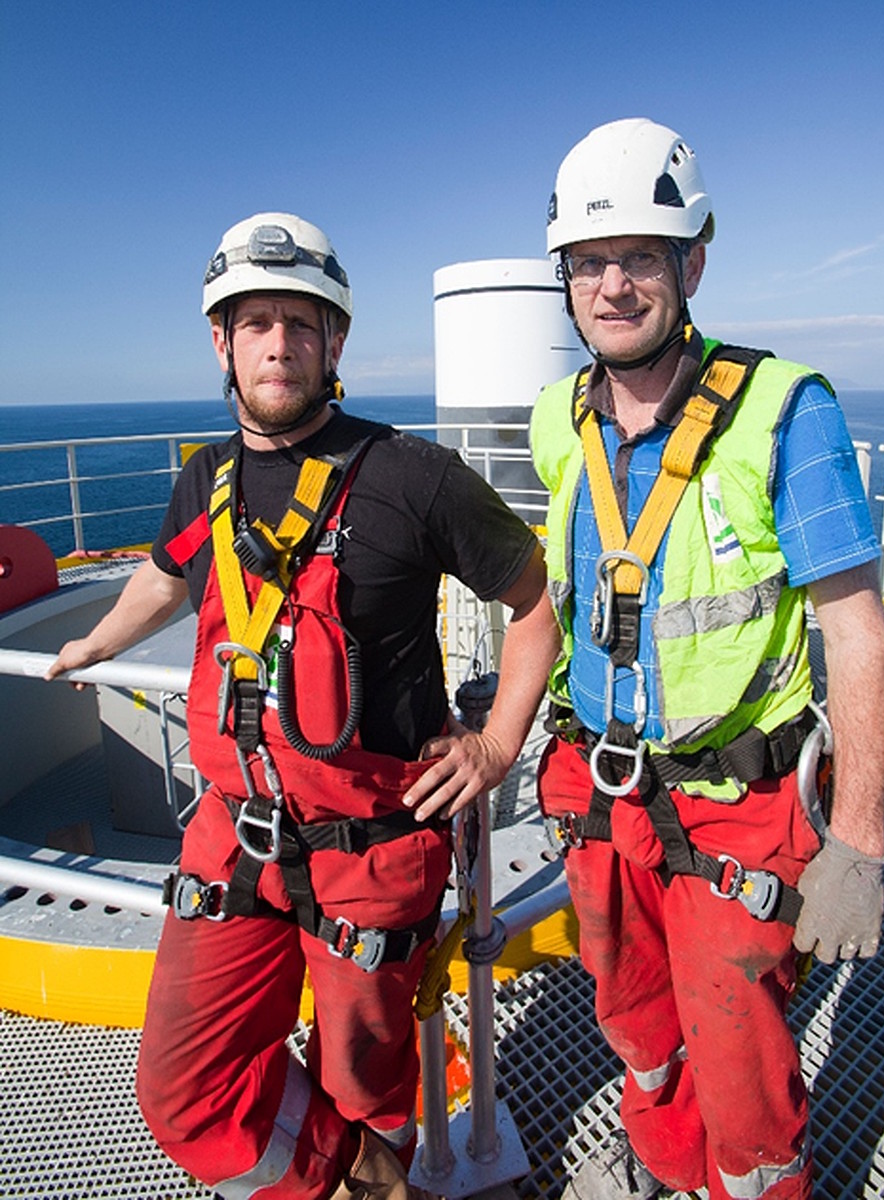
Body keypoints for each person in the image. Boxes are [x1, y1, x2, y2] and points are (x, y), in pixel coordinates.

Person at [47, 212, 559, 1200]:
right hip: (232, 838)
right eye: (255, 323)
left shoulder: (416, 477)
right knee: (184, 1086)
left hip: (372, 846)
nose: (278, 342)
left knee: (366, 1081)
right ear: (222, 342)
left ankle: (376, 1161)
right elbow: (166, 576)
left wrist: (497, 747)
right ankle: (359, 1176)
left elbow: (534, 602)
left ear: (335, 343)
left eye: (300, 322)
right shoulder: (207, 478)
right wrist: (98, 642)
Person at [529, 119, 884, 1200]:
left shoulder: (784, 411)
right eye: (588, 264)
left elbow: (855, 627)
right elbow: (561, 595)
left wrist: (861, 844)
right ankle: (663, 1167)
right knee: (635, 1021)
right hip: (602, 800)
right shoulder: (559, 419)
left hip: (734, 800)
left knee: (739, 1062)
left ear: (692, 261)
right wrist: (507, 733)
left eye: (640, 256)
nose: (612, 286)